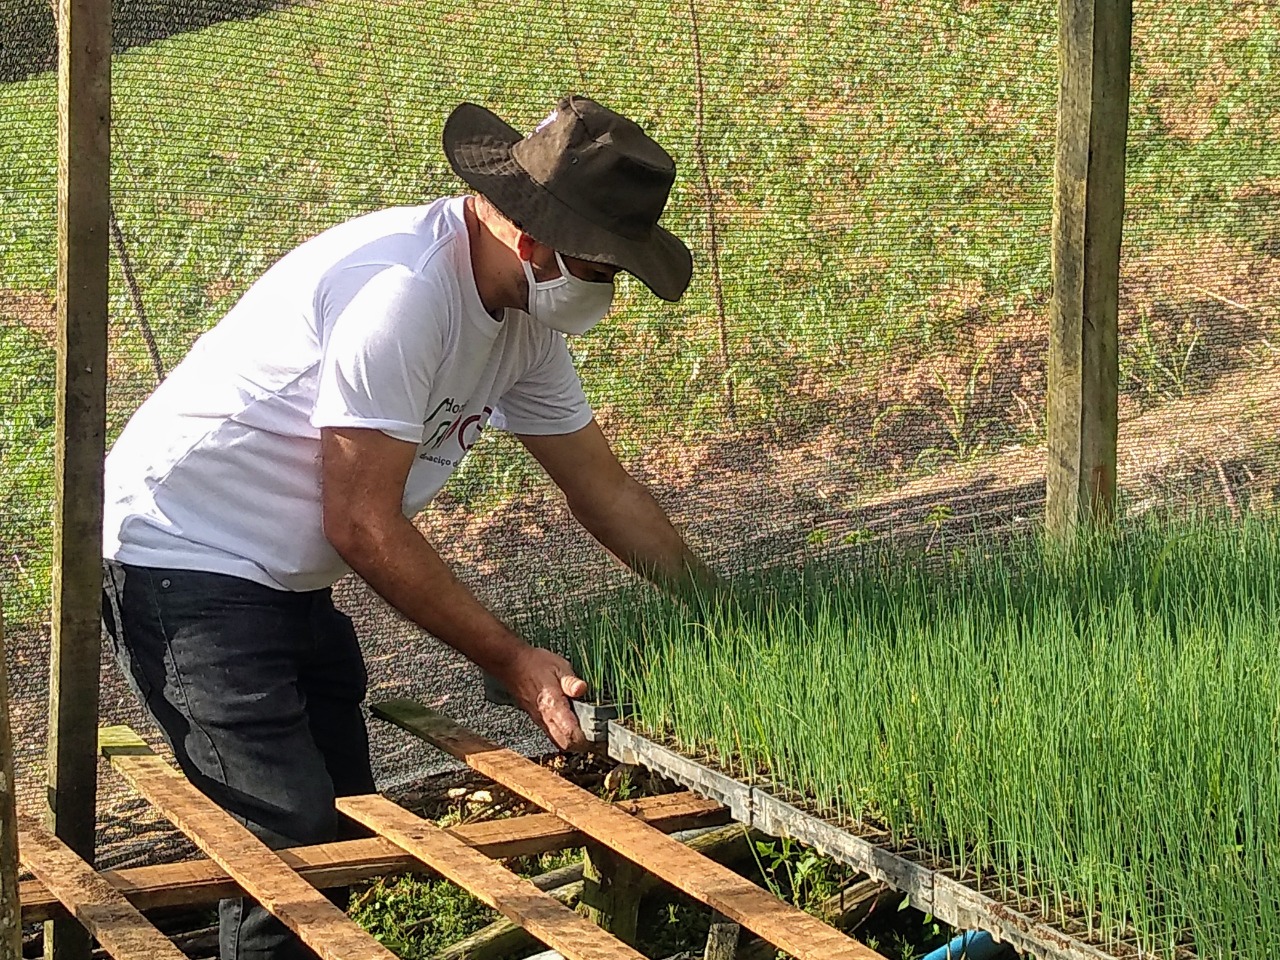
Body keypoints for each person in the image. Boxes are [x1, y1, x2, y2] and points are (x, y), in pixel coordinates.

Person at [100, 94, 714, 960]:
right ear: (530, 234)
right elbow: (359, 521)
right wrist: (513, 661)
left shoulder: (528, 328)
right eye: (602, 265)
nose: (605, 287)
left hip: (285, 578)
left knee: (347, 824)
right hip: (182, 556)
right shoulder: (402, 294)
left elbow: (602, 488)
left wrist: (720, 609)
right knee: (289, 856)